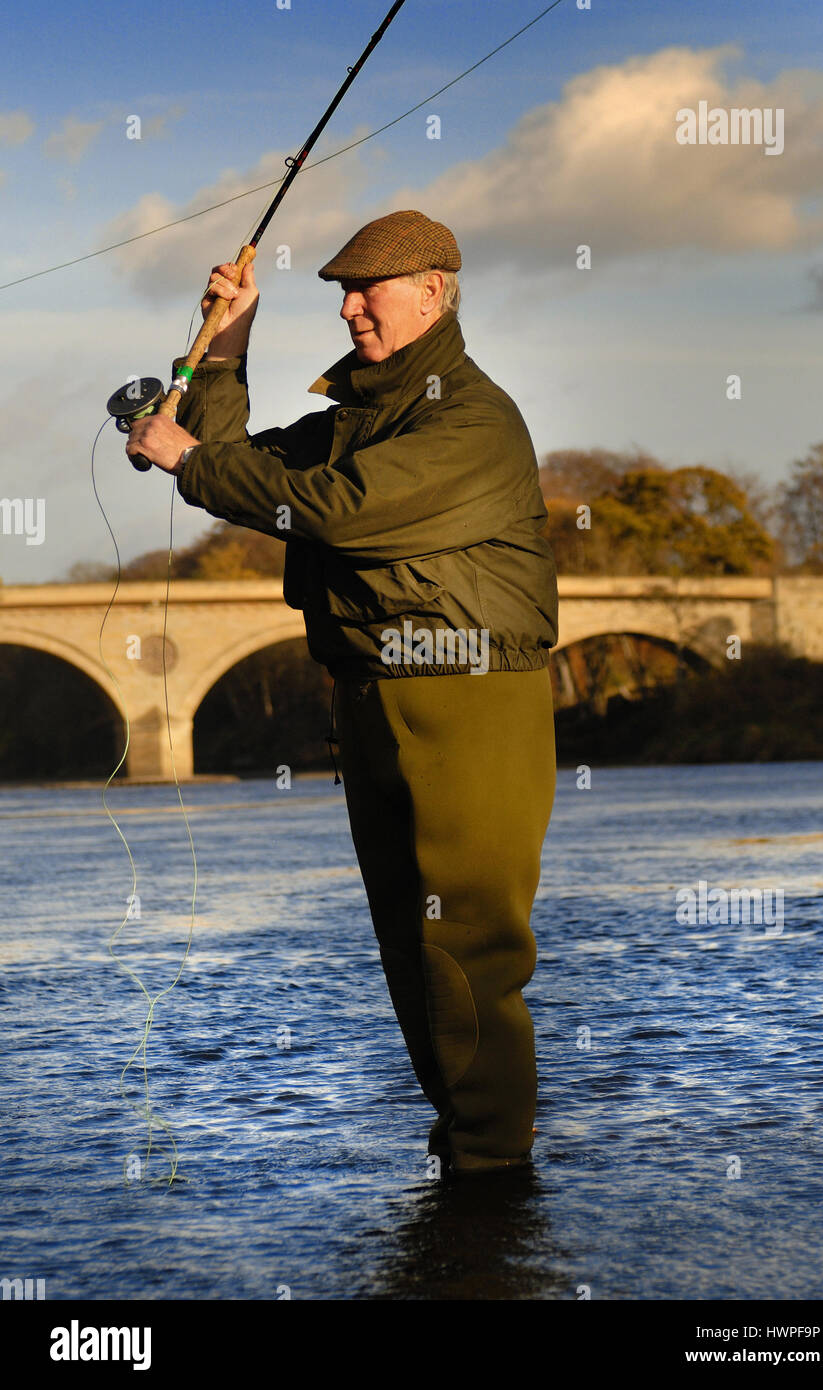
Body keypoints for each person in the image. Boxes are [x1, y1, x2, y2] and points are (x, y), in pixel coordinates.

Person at [127, 209, 559, 1176]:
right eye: (340, 292)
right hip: (368, 693)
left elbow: (335, 510)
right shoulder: (352, 420)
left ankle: (493, 1174)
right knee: (408, 948)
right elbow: (245, 462)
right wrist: (227, 344)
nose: (352, 308)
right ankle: (465, 1159)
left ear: (435, 291)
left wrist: (187, 459)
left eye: (370, 288)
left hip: (471, 697)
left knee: (467, 950)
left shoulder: (473, 420)